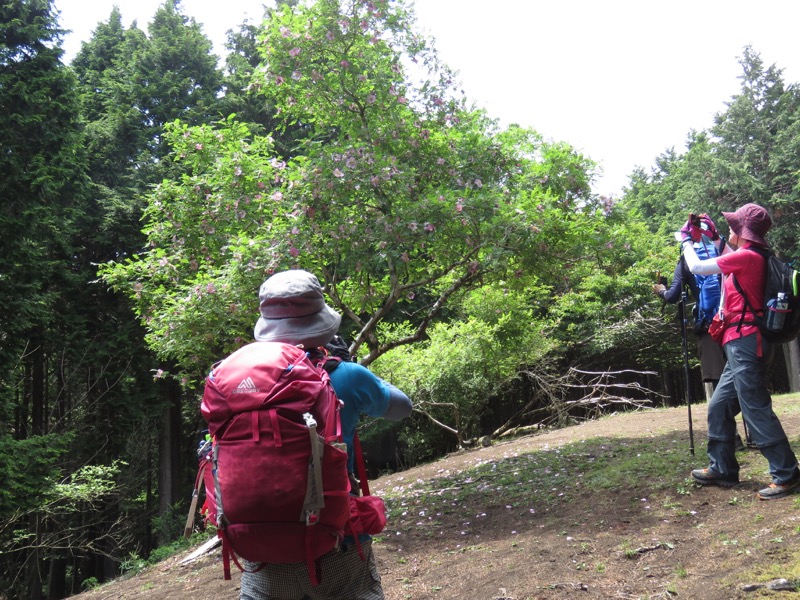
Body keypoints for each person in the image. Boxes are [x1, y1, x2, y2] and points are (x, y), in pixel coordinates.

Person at [240, 269, 413, 600]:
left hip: (262, 553)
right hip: (337, 541)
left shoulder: (235, 381)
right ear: (320, 323)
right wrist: (359, 375)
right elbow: (402, 406)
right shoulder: (345, 374)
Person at [677, 203, 800, 499]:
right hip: (739, 343)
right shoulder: (750, 255)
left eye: (733, 226)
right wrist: (711, 236)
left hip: (746, 343)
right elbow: (725, 255)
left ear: (744, 232)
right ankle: (722, 467)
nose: (730, 230)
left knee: (755, 407)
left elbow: (698, 267)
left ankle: (787, 475)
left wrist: (686, 241)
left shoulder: (748, 257)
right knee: (719, 405)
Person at [653, 214, 749, 450]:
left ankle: (732, 438)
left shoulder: (687, 259)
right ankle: (755, 433)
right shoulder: (721, 250)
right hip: (734, 321)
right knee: (743, 377)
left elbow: (674, 295)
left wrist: (661, 290)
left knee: (719, 383)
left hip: (709, 326)